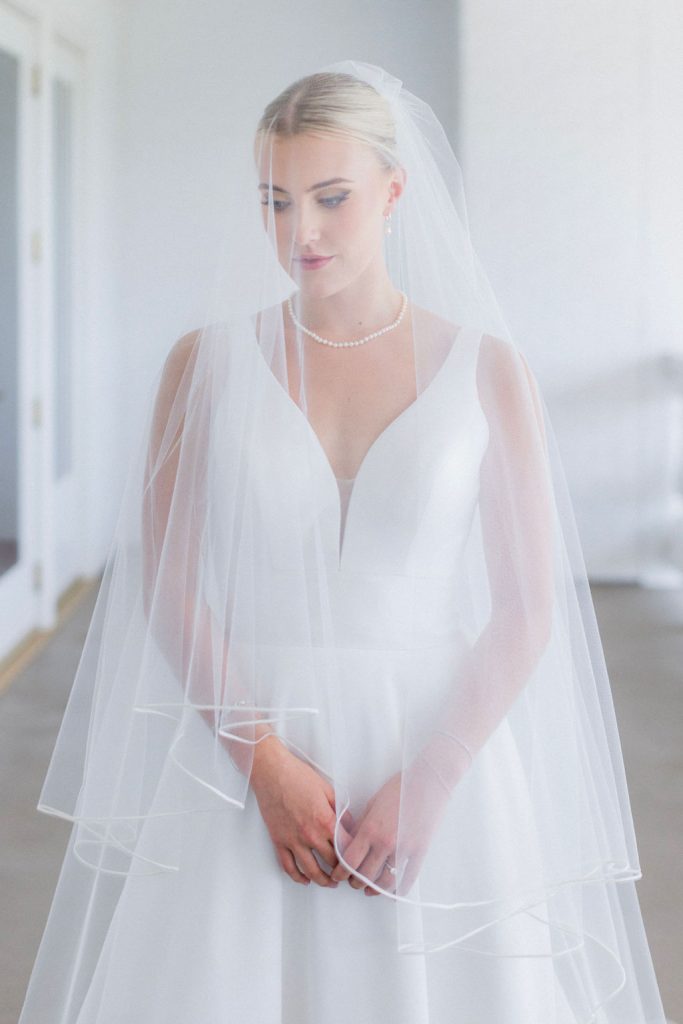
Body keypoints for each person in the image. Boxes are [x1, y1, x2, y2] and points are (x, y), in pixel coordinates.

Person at [17, 60, 668, 1024]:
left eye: (331, 198)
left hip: (433, 750)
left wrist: (435, 777)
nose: (300, 233)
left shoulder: (488, 371)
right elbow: (167, 582)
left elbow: (530, 606)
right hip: (246, 748)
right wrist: (263, 763)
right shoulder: (203, 364)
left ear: (394, 191)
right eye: (275, 202)